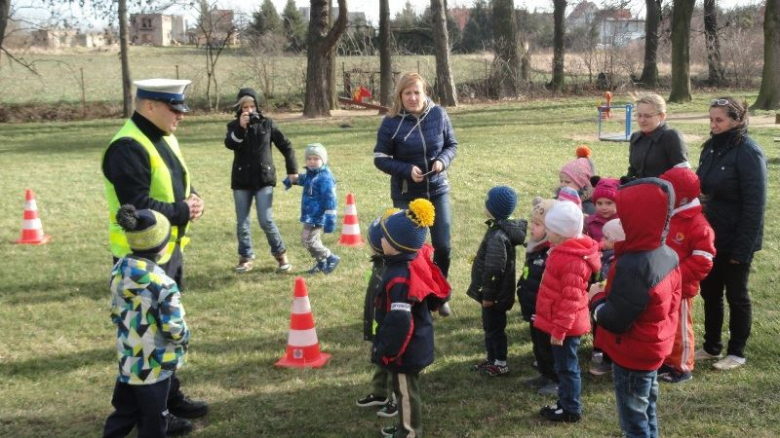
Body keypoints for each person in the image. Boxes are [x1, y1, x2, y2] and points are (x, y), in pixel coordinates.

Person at [101, 78, 207, 433]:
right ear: (149, 106)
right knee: (148, 340)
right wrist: (182, 210)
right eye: (173, 108)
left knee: (162, 333)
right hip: (139, 260)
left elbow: (177, 178)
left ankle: (168, 397)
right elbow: (137, 206)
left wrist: (194, 198)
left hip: (166, 251)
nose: (180, 116)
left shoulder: (162, 136)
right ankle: (153, 412)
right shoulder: (128, 146)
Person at [590, 178, 682, 438]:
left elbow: (616, 319)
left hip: (632, 353)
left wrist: (596, 300)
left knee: (633, 418)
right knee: (646, 405)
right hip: (653, 349)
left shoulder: (634, 266)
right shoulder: (666, 254)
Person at [103, 205, 191, 438]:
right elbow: (173, 327)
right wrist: (184, 338)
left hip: (128, 359)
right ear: (161, 247)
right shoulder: (162, 283)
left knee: (125, 410)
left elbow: (115, 312)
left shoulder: (119, 271)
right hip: (154, 364)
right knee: (154, 417)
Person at [695, 97, 767, 371]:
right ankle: (712, 346)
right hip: (710, 237)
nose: (713, 125)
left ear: (737, 121)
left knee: (736, 295)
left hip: (736, 238)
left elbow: (755, 204)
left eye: (719, 120)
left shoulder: (749, 152)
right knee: (710, 293)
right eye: (711, 119)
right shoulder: (710, 149)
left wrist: (743, 248)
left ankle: (736, 351)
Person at [372, 199, 450, 438]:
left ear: (394, 246)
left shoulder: (400, 279)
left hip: (405, 348)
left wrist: (388, 350)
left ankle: (409, 432)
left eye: (383, 237)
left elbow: (400, 322)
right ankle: (405, 425)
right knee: (403, 389)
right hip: (410, 343)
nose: (379, 240)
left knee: (406, 391)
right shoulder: (408, 262)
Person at [373, 72, 458, 282]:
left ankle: (439, 292)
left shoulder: (439, 114)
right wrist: (406, 170)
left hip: (437, 190)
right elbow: (380, 158)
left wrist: (442, 161)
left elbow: (451, 145)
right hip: (406, 194)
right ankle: (407, 293)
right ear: (400, 96)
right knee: (407, 250)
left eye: (416, 92)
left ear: (424, 93)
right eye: (407, 93)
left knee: (443, 246)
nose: (412, 97)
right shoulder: (390, 122)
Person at [535, 201, 600, 423]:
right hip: (561, 323)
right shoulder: (563, 250)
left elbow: (570, 300)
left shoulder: (573, 261)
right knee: (562, 366)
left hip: (566, 327)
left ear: (562, 234)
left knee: (567, 368)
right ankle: (564, 402)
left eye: (550, 229)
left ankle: (570, 409)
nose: (547, 232)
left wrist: (559, 330)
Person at [224, 88, 298, 273]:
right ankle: (245, 258)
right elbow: (230, 144)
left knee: (266, 220)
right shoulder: (233, 126)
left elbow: (286, 146)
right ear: (239, 109)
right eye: (245, 107)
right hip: (241, 180)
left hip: (264, 179)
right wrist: (241, 127)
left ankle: (281, 256)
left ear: (257, 106)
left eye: (252, 106)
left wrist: (292, 171)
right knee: (242, 222)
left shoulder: (267, 124)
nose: (249, 110)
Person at [658, 167, 716, 383]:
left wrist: (676, 276)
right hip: (663, 285)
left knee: (681, 328)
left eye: (667, 192)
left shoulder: (698, 225)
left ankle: (682, 366)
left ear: (680, 198)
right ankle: (666, 360)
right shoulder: (670, 214)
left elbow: (703, 261)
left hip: (681, 288)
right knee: (663, 325)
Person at [467, 186, 526, 377]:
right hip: (493, 294)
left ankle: (500, 363)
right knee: (489, 327)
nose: (484, 204)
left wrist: (489, 296)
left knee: (495, 329)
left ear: (494, 209)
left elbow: (494, 270)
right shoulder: (497, 229)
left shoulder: (498, 236)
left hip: (495, 296)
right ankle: (492, 359)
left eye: (487, 201)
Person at [357, 210, 399, 419]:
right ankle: (380, 392)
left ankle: (395, 397)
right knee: (380, 359)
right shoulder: (380, 264)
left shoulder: (392, 270)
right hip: (378, 324)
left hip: (388, 326)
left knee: (391, 363)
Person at [518, 197, 558, 396]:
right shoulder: (534, 248)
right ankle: (544, 372)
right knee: (538, 344)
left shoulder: (552, 253)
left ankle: (556, 379)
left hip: (547, 313)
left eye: (537, 224)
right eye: (531, 222)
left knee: (548, 346)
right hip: (534, 308)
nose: (531, 227)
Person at [283, 143, 339, 274]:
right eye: (309, 159)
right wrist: (290, 180)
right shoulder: (311, 174)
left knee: (308, 240)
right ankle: (322, 263)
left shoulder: (325, 178)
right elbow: (302, 179)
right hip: (310, 215)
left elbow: (330, 200)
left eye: (316, 159)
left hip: (318, 216)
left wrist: (330, 220)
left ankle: (330, 257)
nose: (312, 162)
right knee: (309, 240)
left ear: (323, 160)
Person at [584, 176, 619, 376]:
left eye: (609, 203)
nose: (603, 207)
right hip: (595, 269)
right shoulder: (591, 222)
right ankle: (598, 347)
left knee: (610, 309)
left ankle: (610, 351)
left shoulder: (623, 222)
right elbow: (588, 244)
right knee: (596, 307)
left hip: (614, 270)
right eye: (599, 203)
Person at [625, 94, 688, 181]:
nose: (642, 120)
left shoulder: (671, 136)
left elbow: (683, 173)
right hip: (638, 190)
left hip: (666, 191)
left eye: (647, 116)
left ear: (662, 116)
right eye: (639, 115)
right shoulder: (635, 137)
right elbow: (633, 169)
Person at [558, 146, 596, 215]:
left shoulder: (589, 208)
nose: (562, 185)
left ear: (582, 184)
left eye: (567, 182)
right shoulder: (558, 200)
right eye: (561, 181)